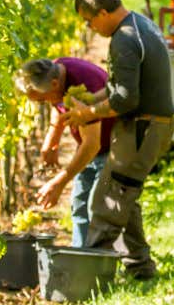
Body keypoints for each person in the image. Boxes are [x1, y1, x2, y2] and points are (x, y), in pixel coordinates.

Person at [61, 0, 174, 279]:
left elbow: (125, 99)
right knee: (125, 196)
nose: (91, 28)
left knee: (108, 200)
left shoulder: (123, 39)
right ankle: (140, 268)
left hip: (142, 129)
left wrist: (88, 113)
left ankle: (89, 276)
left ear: (101, 12)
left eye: (89, 21)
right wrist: (92, 98)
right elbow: (117, 88)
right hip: (149, 126)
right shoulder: (139, 23)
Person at [17, 57, 114, 248]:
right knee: (79, 204)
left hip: (113, 146)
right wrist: (52, 140)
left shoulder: (83, 84)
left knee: (98, 205)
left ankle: (100, 264)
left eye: (43, 100)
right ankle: (81, 258)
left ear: (54, 84)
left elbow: (92, 144)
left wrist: (59, 182)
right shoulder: (53, 72)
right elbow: (58, 106)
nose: (45, 104)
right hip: (93, 147)